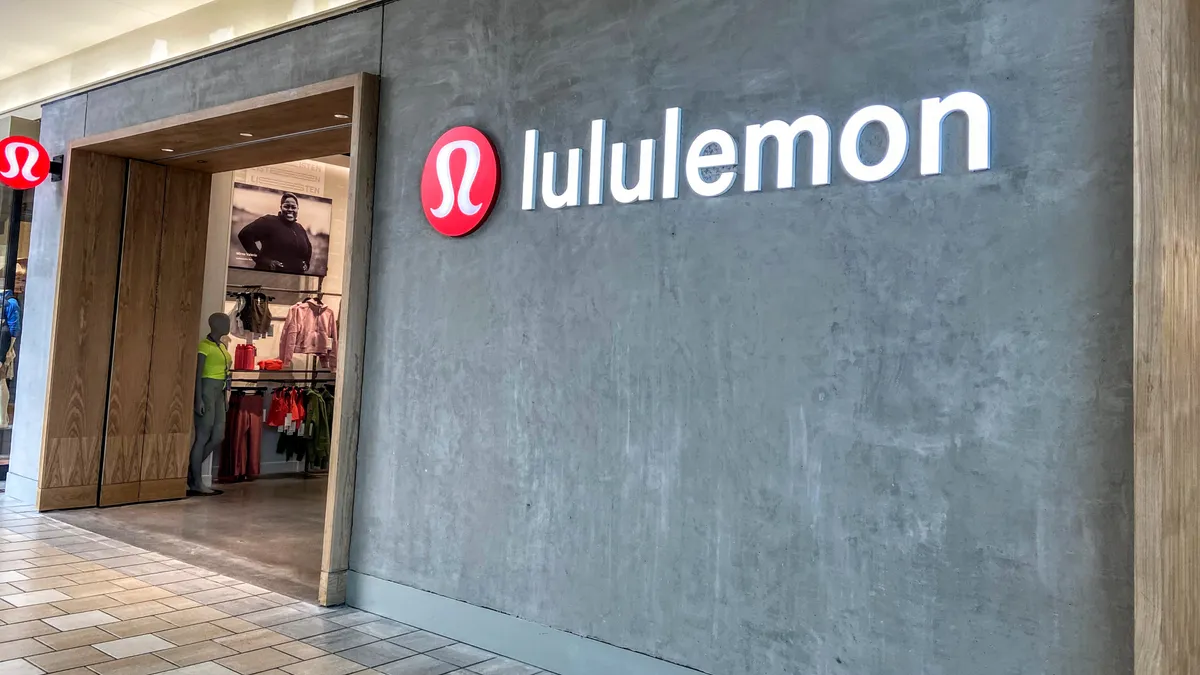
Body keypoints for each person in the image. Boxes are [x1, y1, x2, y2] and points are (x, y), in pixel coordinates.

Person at [190, 313, 232, 496]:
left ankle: (191, 472)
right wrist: (197, 399)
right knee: (202, 435)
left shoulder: (222, 346)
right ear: (214, 324)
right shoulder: (204, 346)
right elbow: (198, 375)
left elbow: (227, 373)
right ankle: (196, 481)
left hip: (220, 393)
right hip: (207, 390)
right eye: (225, 322)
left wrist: (226, 397)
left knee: (218, 436)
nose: (228, 324)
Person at [237, 192, 313, 274]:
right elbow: (244, 235)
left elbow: (308, 247)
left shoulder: (299, 228)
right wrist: (263, 261)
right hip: (269, 277)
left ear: (297, 209)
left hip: (294, 280)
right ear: (281, 207)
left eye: (293, 207)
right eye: (286, 206)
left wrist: (306, 263)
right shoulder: (269, 222)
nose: (290, 210)